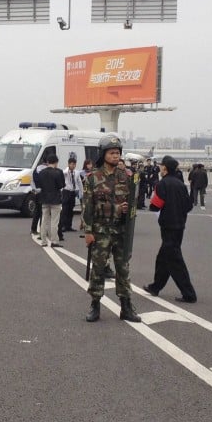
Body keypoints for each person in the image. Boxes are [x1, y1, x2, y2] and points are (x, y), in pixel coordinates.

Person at [81, 135, 141, 323]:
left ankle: (126, 307)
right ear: (103, 154)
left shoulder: (127, 177)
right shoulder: (93, 178)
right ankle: (95, 305)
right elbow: (87, 206)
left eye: (118, 153)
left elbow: (132, 206)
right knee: (98, 269)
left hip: (121, 232)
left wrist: (126, 215)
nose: (116, 156)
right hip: (100, 231)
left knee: (123, 269)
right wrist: (88, 232)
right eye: (112, 153)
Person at [143, 155, 197, 303]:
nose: (160, 168)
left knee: (174, 260)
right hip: (180, 225)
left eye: (161, 166)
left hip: (168, 226)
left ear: (165, 168)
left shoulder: (162, 185)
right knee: (163, 257)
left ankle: (189, 293)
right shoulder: (181, 184)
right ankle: (156, 286)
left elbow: (155, 206)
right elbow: (188, 205)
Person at [34, 154, 65, 247]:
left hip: (44, 198)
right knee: (54, 221)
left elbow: (38, 185)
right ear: (56, 162)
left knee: (44, 220)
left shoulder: (41, 172)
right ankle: (54, 241)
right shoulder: (58, 172)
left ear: (47, 162)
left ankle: (43, 241)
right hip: (55, 199)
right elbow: (61, 185)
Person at [58, 156, 83, 240]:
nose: (73, 166)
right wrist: (68, 170)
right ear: (68, 164)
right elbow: (63, 174)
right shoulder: (65, 172)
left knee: (71, 210)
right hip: (66, 191)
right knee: (64, 209)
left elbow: (79, 182)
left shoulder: (76, 173)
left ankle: (69, 226)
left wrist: (81, 192)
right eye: (71, 164)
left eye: (74, 164)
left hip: (73, 191)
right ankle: (63, 226)